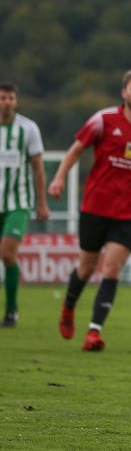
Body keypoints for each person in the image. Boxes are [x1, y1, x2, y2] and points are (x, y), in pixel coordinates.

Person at [49, 69, 131, 351]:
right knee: (86, 268)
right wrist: (60, 176)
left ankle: (94, 332)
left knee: (112, 268)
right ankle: (69, 305)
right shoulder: (103, 120)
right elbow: (76, 150)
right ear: (124, 92)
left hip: (129, 211)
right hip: (96, 206)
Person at [0, 83, 50, 327]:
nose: (7, 102)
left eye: (10, 98)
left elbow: (38, 167)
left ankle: (11, 310)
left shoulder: (28, 129)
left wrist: (41, 202)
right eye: (2, 98)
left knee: (7, 253)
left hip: (17, 203)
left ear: (16, 101)